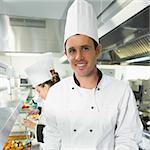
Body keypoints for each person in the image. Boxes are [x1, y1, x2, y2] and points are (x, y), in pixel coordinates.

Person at [42, 0, 143, 149]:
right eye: (72, 50)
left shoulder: (120, 91)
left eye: (85, 48)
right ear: (66, 54)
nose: (79, 57)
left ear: (97, 50)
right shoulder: (56, 93)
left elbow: (127, 138)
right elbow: (51, 137)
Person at [23, 56, 60, 143]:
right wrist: (38, 110)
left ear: (46, 87)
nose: (39, 95)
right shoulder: (51, 100)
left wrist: (33, 125)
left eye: (39, 91)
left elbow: (56, 135)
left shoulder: (59, 103)